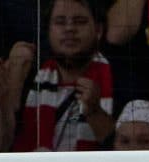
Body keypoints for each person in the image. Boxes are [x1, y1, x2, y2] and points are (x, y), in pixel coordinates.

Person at [11, 0, 116, 151]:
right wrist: (8, 96)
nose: (69, 28)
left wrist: (95, 112)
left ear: (98, 30)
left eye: (79, 22)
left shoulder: (119, 78)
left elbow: (128, 151)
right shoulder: (29, 77)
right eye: (60, 22)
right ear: (48, 30)